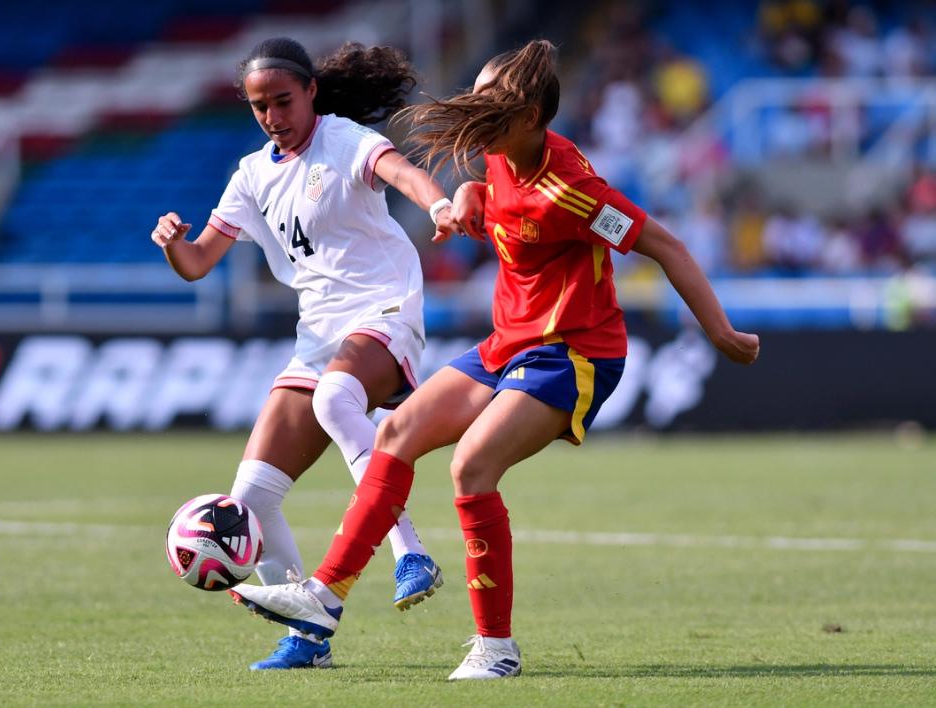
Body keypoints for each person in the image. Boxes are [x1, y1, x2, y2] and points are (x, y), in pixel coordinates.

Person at [227, 39, 761, 680]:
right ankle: (322, 600)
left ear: (532, 117)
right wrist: (474, 197)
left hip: (573, 350)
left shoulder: (574, 191)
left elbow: (666, 245)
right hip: (508, 343)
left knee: (471, 465)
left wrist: (721, 331)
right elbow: (493, 195)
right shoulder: (498, 151)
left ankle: (496, 650)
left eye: (492, 105)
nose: (476, 115)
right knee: (394, 431)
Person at [151, 37, 460, 671]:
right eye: (259, 107)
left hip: (385, 309)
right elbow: (199, 261)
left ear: (311, 91)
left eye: (283, 101)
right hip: (318, 336)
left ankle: (411, 551)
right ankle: (309, 633)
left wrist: (439, 203)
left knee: (333, 397)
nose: (272, 116)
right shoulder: (252, 173)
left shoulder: (343, 140)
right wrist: (171, 244)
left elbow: (402, 172)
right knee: (250, 503)